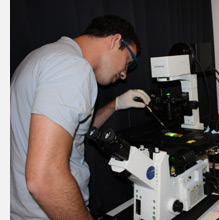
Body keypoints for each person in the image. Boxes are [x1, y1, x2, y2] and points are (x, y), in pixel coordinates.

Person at [10, 15, 150, 220]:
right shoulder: (73, 69)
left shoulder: (43, 55)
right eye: (128, 62)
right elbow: (44, 179)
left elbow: (68, 131)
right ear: (114, 41)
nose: (124, 75)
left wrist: (115, 104)